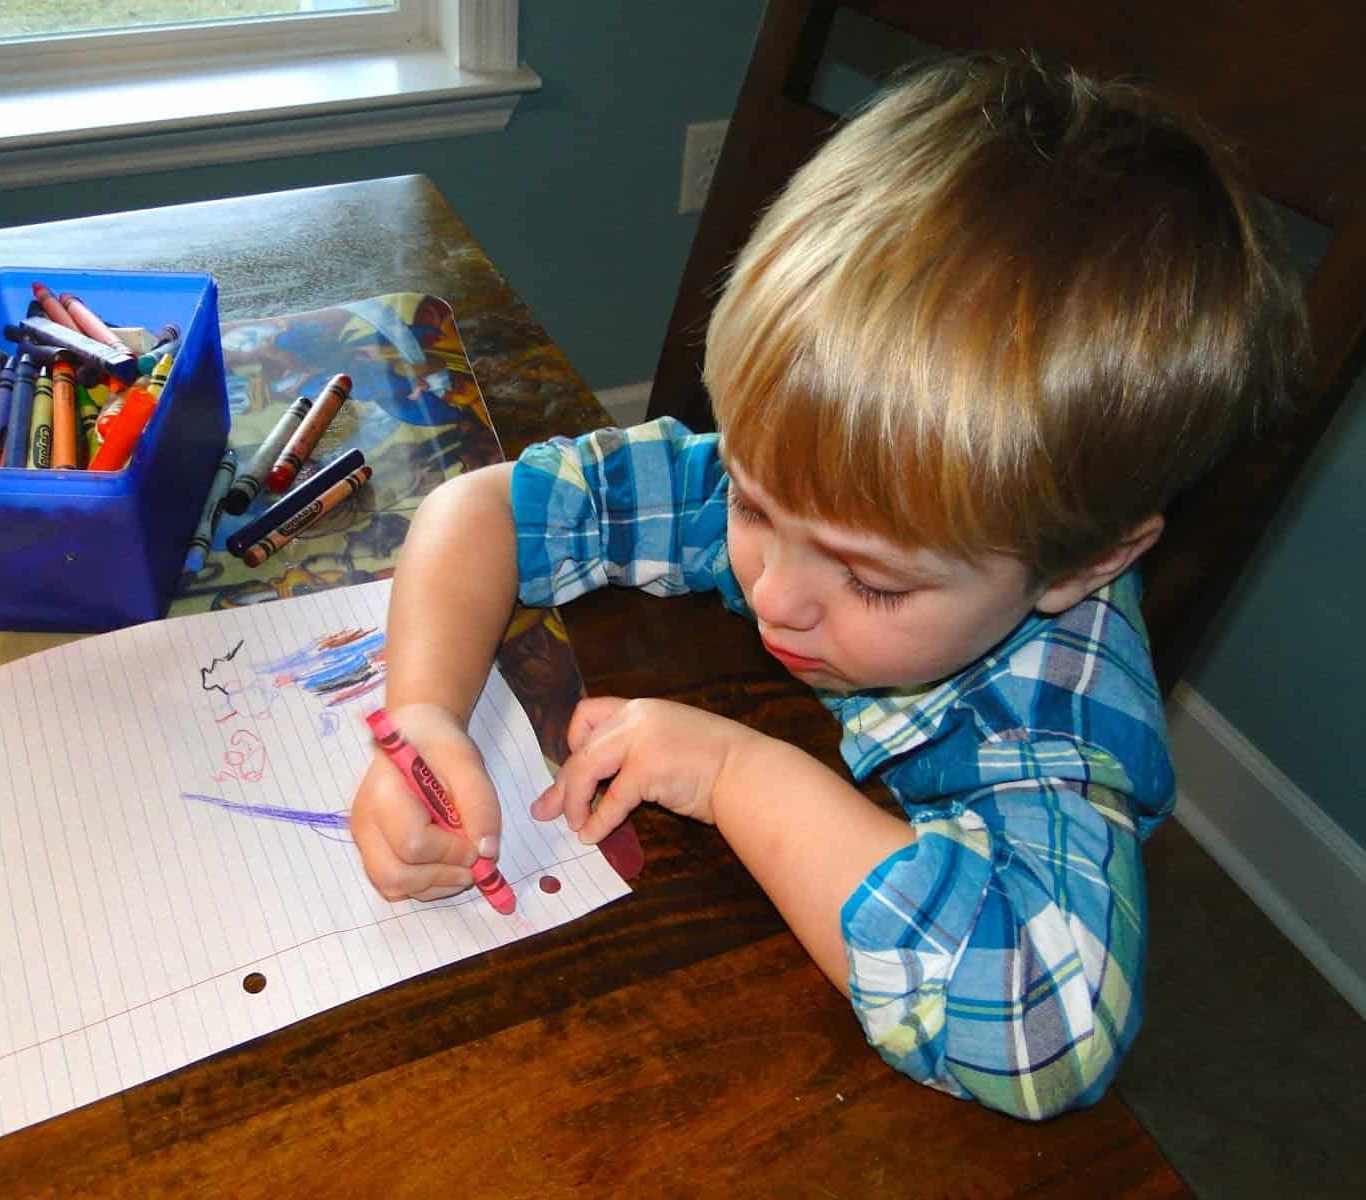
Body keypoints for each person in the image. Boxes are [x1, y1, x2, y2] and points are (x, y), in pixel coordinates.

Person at [349, 53, 1309, 1119]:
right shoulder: (834, 493)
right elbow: (478, 510)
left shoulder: (1057, 716)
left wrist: (733, 775)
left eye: (872, 585)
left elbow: (1047, 1035)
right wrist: (426, 710)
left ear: (1083, 567)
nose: (777, 596)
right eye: (753, 507)